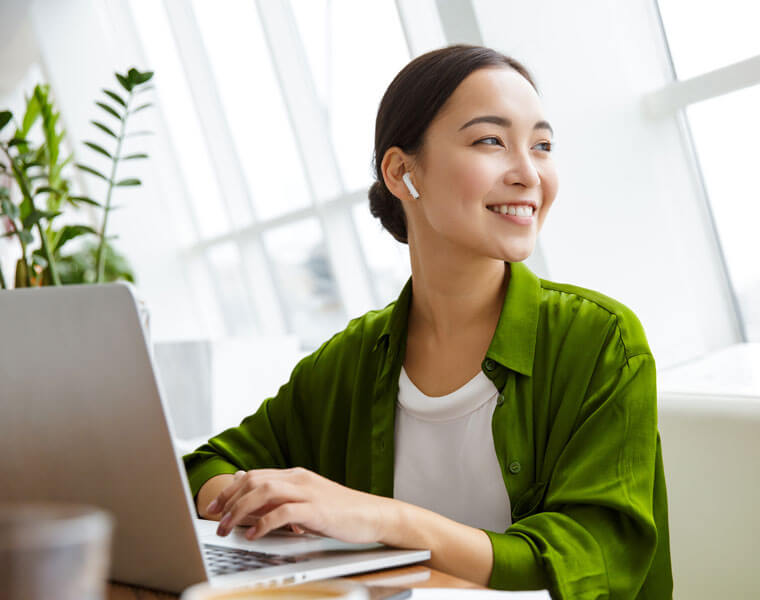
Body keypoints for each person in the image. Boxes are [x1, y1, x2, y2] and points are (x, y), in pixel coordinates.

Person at [183, 43, 673, 599]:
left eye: (542, 145)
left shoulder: (602, 339)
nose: (528, 173)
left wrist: (382, 519)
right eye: (490, 140)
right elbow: (204, 465)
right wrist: (258, 502)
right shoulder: (355, 356)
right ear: (401, 172)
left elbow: (593, 558)